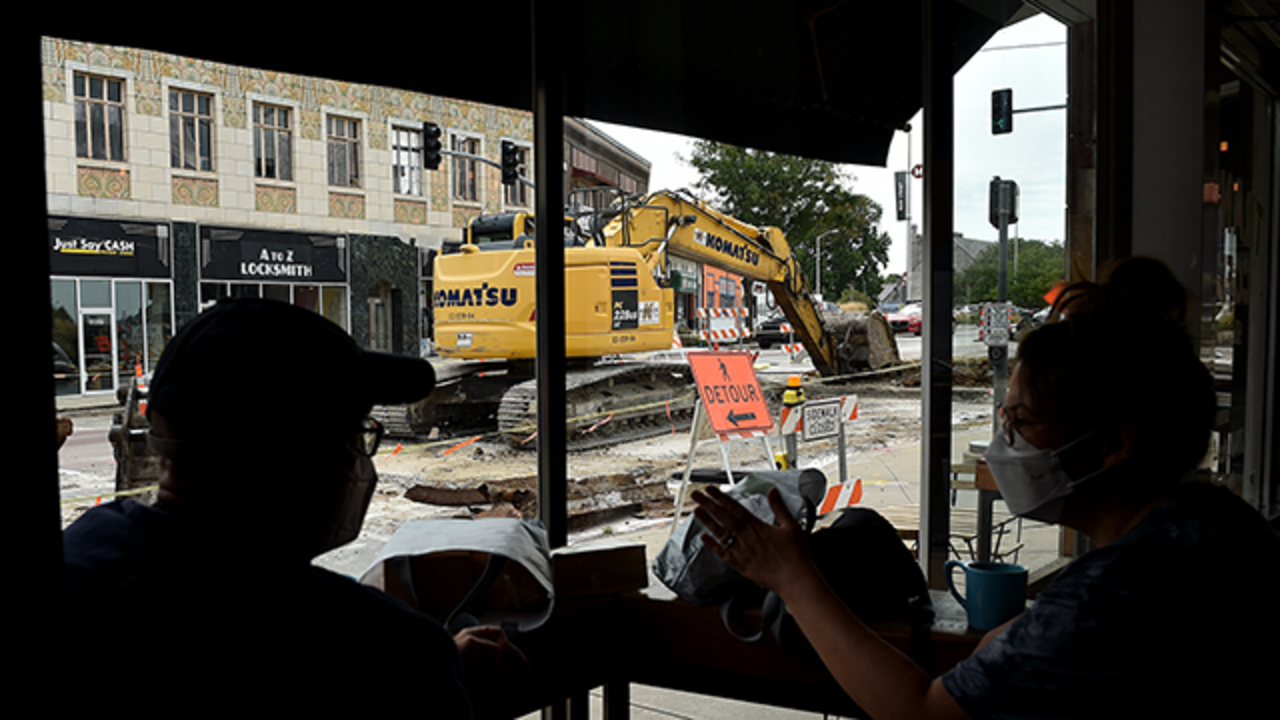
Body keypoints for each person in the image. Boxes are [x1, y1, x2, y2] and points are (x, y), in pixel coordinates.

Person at [692, 258, 1280, 719]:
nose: (1004, 444)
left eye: (1022, 423)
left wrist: (795, 579)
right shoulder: (1220, 526)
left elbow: (921, 713)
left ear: (1111, 445)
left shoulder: (1102, 603)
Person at [63, 298, 526, 714]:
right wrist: (439, 672)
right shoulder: (380, 651)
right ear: (294, 458)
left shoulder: (84, 559)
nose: (358, 462)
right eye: (354, 435)